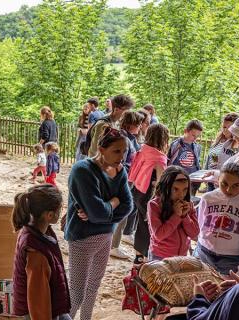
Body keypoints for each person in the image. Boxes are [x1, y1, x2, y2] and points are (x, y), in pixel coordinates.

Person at [63, 127, 133, 320]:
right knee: (76, 294)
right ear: (101, 150)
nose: (122, 156)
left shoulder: (120, 171)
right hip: (82, 239)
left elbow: (128, 206)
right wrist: (113, 201)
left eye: (124, 151)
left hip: (105, 237)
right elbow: (97, 211)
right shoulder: (83, 171)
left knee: (93, 286)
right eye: (116, 151)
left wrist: (104, 210)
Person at [11, 184, 71, 320]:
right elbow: (38, 303)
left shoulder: (37, 229)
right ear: (49, 215)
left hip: (52, 305)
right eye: (60, 209)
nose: (61, 212)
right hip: (41, 312)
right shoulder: (37, 256)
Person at [195, 163, 239, 279]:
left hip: (230, 261)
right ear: (217, 180)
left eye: (235, 185)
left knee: (223, 294)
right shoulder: (207, 198)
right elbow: (200, 227)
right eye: (224, 184)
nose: (228, 189)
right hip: (203, 253)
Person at [127, 124, 170, 263]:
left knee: (141, 223)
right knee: (152, 226)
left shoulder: (143, 150)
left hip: (137, 191)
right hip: (149, 196)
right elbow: (161, 182)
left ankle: (139, 256)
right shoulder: (159, 157)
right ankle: (148, 257)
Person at [109, 111, 144, 259]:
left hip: (127, 178)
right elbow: (120, 162)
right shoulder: (124, 139)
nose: (141, 127)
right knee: (122, 212)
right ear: (132, 124)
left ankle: (113, 244)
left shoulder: (130, 138)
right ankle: (113, 246)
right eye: (139, 124)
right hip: (123, 179)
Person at [147, 166, 199, 261]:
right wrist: (176, 216)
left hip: (182, 257)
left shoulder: (189, 206)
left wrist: (185, 216)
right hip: (159, 256)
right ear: (166, 187)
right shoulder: (154, 205)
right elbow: (159, 235)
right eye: (176, 189)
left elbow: (194, 234)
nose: (181, 195)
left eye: (185, 189)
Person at [205, 113, 239, 191]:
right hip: (211, 178)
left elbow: (234, 162)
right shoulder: (218, 140)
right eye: (224, 127)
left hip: (225, 183)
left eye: (229, 127)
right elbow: (212, 155)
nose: (225, 130)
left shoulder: (237, 143)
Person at [167, 119, 203, 195]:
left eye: (198, 136)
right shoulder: (176, 145)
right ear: (185, 131)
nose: (195, 138)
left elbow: (196, 163)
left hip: (192, 181)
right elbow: (169, 162)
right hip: (177, 180)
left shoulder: (197, 147)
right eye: (193, 135)